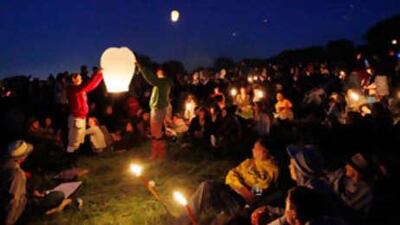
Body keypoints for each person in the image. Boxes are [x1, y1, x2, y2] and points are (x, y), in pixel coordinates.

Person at [175, 139, 279, 225]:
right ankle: (181, 222)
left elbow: (259, 191)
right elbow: (231, 175)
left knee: (231, 215)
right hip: (231, 190)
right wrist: (242, 187)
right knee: (206, 185)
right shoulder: (249, 162)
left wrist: (244, 186)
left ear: (263, 151)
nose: (252, 150)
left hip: (241, 201)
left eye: (256, 148)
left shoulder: (272, 169)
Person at [0, 140, 75, 225]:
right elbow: (14, 200)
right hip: (20, 209)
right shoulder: (16, 174)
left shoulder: (4, 164)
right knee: (58, 195)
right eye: (26, 154)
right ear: (22, 157)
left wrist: (32, 192)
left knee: (37, 186)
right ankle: (56, 207)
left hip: (17, 201)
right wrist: (9, 221)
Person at [136, 61, 173, 160]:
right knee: (157, 132)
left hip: (158, 109)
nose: (157, 72)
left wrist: (141, 67)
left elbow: (150, 78)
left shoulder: (162, 82)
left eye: (158, 71)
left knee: (156, 133)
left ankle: (158, 154)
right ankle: (159, 153)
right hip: (159, 108)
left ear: (162, 72)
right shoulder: (165, 82)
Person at [66, 69, 103, 155]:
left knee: (79, 139)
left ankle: (75, 158)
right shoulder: (72, 89)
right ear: (73, 79)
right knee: (74, 140)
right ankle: (69, 157)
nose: (82, 79)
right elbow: (88, 85)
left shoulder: (80, 89)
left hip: (81, 117)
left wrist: (100, 76)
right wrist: (96, 74)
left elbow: (91, 86)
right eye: (80, 77)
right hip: (76, 118)